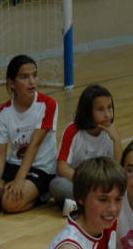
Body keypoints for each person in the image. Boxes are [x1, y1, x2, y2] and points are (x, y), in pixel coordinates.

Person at [0, 54, 58, 214]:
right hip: (14, 165)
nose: (32, 82)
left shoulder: (47, 105)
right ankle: (7, 190)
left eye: (34, 75)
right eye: (24, 77)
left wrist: (19, 180)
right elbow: (0, 151)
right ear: (12, 84)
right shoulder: (3, 112)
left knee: (10, 203)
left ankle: (42, 195)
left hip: (41, 168)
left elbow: (34, 144)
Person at [51, 84, 123, 216]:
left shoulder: (112, 133)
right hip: (78, 183)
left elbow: (118, 170)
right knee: (57, 184)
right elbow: (62, 168)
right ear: (88, 111)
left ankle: (83, 206)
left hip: (102, 185)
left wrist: (117, 140)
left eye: (109, 108)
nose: (107, 114)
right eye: (100, 110)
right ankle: (97, 204)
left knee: (123, 187)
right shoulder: (73, 131)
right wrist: (88, 182)